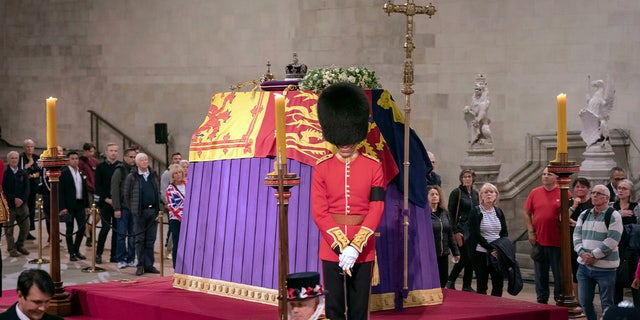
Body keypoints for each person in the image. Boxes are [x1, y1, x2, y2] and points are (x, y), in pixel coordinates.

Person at [311, 82, 385, 319]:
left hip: (363, 250)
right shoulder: (321, 168)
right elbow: (319, 212)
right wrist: (341, 244)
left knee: (358, 309)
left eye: (349, 139)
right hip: (331, 248)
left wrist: (356, 245)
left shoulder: (374, 167)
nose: (345, 145)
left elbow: (376, 208)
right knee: (333, 308)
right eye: (341, 140)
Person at [573, 184, 623, 320]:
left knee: (607, 303)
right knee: (584, 302)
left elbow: (612, 240)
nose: (594, 195)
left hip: (605, 269)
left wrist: (594, 255)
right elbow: (576, 236)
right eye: (593, 192)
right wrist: (582, 253)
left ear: (607, 198)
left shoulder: (614, 215)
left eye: (598, 193)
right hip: (584, 266)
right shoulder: (584, 214)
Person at [524, 167, 567, 304]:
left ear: (556, 177)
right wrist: (530, 231)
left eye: (549, 174)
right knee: (540, 275)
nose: (545, 176)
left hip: (557, 242)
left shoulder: (564, 193)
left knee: (559, 275)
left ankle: (558, 300)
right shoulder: (534, 192)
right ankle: (541, 301)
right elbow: (527, 212)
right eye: (543, 174)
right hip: (539, 241)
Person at [466, 183, 508, 296]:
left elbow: (504, 233)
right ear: (481, 196)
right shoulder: (476, 212)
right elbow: (475, 234)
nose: (489, 194)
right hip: (481, 253)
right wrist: (490, 248)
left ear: (496, 195)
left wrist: (499, 249)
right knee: (482, 284)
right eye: (486, 192)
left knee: (498, 284)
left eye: (491, 192)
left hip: (497, 253)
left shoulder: (498, 212)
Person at [124, 152, 161, 276]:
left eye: (146, 159)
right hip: (140, 212)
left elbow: (157, 192)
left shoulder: (153, 175)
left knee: (150, 239)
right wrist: (133, 209)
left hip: (153, 211)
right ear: (137, 162)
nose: (145, 162)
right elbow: (127, 195)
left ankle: (149, 265)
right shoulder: (132, 176)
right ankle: (140, 265)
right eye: (142, 160)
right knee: (140, 239)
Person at [446, 169, 479, 291]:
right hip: (460, 230)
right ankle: (451, 280)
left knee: (471, 258)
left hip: (472, 231)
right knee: (464, 256)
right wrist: (455, 232)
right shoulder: (457, 193)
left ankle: (467, 285)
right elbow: (450, 212)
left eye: (469, 176)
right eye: (464, 177)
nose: (467, 179)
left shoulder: (475, 194)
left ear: (473, 178)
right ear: (461, 179)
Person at [612, 179, 640, 306]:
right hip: (616, 248)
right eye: (619, 188)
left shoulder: (637, 207)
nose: (621, 190)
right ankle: (616, 311)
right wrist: (619, 214)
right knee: (616, 282)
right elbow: (607, 222)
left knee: (635, 281)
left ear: (630, 192)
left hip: (633, 250)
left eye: (624, 188)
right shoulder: (613, 206)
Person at [59, 151, 89, 262]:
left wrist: (87, 205)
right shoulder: (64, 173)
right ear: (68, 160)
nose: (75, 160)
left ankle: (76, 250)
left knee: (81, 229)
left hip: (80, 204)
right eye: (72, 158)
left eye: (76, 158)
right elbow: (60, 191)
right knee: (69, 230)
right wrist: (62, 207)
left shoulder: (81, 172)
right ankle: (71, 252)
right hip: (69, 206)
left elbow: (84, 190)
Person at [428, 185, 459, 287]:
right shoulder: (424, 214)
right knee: (431, 282)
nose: (435, 196)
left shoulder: (444, 213)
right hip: (430, 254)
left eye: (437, 194)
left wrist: (455, 252)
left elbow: (450, 234)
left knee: (443, 280)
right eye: (432, 194)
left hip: (443, 254)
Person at [94, 143, 120, 263]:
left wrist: (117, 200)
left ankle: (114, 255)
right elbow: (98, 185)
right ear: (107, 152)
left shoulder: (120, 166)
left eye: (115, 150)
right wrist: (106, 199)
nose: (113, 153)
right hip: (105, 202)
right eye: (111, 150)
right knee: (105, 228)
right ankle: (98, 253)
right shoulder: (101, 167)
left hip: (118, 203)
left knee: (117, 229)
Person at [112, 147, 138, 269]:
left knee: (133, 235)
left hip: (134, 209)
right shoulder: (119, 170)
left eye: (134, 157)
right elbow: (115, 190)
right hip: (122, 208)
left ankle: (131, 258)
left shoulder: (137, 170)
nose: (133, 159)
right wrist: (116, 208)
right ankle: (121, 258)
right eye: (131, 157)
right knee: (121, 235)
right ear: (125, 157)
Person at [569, 177, 594, 303]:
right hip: (573, 242)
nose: (580, 189)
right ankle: (578, 301)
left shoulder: (592, 203)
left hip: (589, 241)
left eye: (583, 187)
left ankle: (587, 300)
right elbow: (562, 217)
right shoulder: (570, 202)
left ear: (588, 189)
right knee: (575, 272)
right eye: (577, 186)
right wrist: (574, 205)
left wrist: (577, 224)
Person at [3, 151, 31, 257]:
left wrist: (22, 200)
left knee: (26, 227)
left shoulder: (22, 172)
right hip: (9, 205)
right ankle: (11, 248)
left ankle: (20, 245)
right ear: (8, 160)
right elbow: (3, 189)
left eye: (16, 158)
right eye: (12, 158)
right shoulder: (5, 173)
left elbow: (27, 188)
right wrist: (13, 199)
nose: (15, 160)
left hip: (22, 205)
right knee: (9, 229)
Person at [160, 152, 182, 260]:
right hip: (173, 209)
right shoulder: (166, 174)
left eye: (179, 158)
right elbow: (163, 189)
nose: (178, 160)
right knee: (172, 232)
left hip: (184, 213)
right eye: (175, 158)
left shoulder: (185, 181)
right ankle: (169, 249)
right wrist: (167, 204)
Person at [19, 139, 40, 240]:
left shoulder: (37, 157)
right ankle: (24, 231)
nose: (30, 148)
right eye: (28, 146)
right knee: (25, 210)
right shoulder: (20, 158)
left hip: (34, 186)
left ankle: (28, 231)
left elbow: (41, 171)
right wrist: (29, 164)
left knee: (31, 208)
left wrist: (34, 175)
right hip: (24, 188)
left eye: (31, 146)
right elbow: (20, 171)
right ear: (24, 148)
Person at [165, 163, 186, 269]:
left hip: (188, 220)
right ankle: (177, 267)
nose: (178, 175)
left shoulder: (188, 185)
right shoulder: (170, 189)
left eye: (180, 172)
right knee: (177, 243)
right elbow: (173, 206)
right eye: (175, 173)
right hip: (177, 219)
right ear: (172, 176)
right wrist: (184, 218)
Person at [463, 74, 492, 147]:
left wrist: (477, 120)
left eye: (480, 85)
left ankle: (488, 139)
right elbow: (473, 111)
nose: (477, 89)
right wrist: (467, 109)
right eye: (476, 88)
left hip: (481, 123)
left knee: (484, 128)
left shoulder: (485, 101)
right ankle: (476, 138)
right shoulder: (474, 100)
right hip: (476, 126)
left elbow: (482, 112)